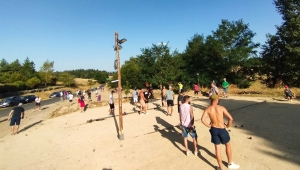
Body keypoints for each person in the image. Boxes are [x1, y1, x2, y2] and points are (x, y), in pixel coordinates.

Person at [201, 94, 240, 170]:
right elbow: (230, 119)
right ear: (216, 100)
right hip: (221, 129)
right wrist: (227, 126)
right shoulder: (221, 108)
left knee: (217, 148)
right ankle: (230, 163)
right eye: (218, 99)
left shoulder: (208, 109)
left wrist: (209, 126)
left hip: (214, 129)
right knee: (227, 145)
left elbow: (202, 120)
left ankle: (221, 167)